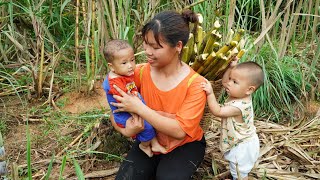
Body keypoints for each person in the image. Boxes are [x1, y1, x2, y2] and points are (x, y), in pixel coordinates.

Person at [109, 10, 207, 180]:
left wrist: (139, 108)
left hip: (184, 145)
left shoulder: (196, 85)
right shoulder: (138, 73)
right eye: (146, 44)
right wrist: (125, 130)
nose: (147, 51)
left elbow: (179, 132)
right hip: (149, 140)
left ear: (178, 46)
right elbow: (114, 108)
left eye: (155, 47)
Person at [102, 39, 166, 157]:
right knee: (146, 126)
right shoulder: (114, 84)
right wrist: (140, 112)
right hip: (125, 114)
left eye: (132, 60)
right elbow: (124, 103)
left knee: (151, 121)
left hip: (134, 105)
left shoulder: (123, 73)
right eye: (124, 63)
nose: (131, 66)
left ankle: (155, 143)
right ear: (111, 67)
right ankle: (144, 145)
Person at [201, 60, 264, 180]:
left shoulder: (239, 107)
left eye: (234, 81)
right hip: (239, 142)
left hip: (242, 146)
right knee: (237, 170)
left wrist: (210, 93)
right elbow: (225, 82)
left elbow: (217, 112)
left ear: (249, 89)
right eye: (231, 78)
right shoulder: (240, 93)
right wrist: (232, 67)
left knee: (240, 174)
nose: (228, 83)